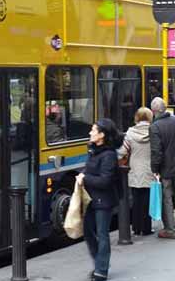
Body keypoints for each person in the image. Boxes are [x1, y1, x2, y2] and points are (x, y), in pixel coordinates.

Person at [77, 118, 119, 281]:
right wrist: (83, 175)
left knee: (102, 234)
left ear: (102, 135)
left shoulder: (108, 155)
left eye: (93, 130)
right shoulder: (94, 150)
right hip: (91, 200)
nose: (90, 132)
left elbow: (105, 180)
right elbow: (90, 169)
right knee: (88, 232)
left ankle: (101, 270)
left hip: (103, 200)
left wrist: (85, 178)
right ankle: (99, 263)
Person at [149, 97, 175, 239]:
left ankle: (170, 229)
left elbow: (156, 151)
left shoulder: (155, 127)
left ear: (153, 111)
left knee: (167, 198)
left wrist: (154, 169)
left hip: (166, 169)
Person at [117, 107, 155, 236]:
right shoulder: (154, 131)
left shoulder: (130, 133)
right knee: (147, 201)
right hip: (150, 170)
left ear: (137, 118)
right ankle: (147, 228)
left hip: (134, 170)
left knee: (136, 200)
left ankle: (136, 228)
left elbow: (122, 152)